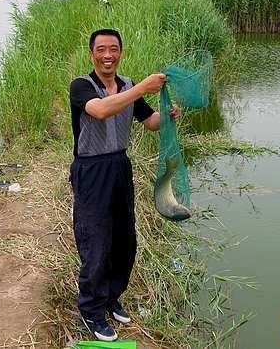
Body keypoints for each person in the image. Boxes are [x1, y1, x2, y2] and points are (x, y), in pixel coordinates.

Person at [69, 28, 179, 341]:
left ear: (121, 52)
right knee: (96, 241)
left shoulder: (127, 86)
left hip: (119, 166)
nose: (108, 55)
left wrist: (169, 115)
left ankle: (110, 297)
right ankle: (90, 311)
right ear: (92, 53)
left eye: (113, 49)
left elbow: (151, 123)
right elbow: (101, 110)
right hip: (91, 170)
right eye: (101, 49)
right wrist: (143, 87)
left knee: (124, 240)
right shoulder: (81, 85)